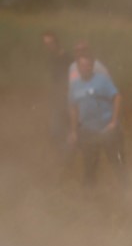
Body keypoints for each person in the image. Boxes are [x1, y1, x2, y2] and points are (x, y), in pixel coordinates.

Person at [68, 48, 125, 185]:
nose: (85, 68)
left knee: (117, 162)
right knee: (89, 166)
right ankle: (89, 194)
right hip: (88, 131)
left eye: (88, 65)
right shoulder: (74, 86)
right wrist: (74, 131)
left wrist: (113, 121)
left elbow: (117, 97)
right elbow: (73, 108)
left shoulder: (102, 80)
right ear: (78, 67)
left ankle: (126, 190)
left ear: (92, 66)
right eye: (82, 65)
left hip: (107, 129)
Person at [42, 32, 72, 154]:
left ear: (56, 42)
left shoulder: (67, 58)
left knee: (62, 127)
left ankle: (67, 154)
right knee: (56, 130)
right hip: (57, 97)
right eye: (46, 44)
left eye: (50, 43)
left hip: (67, 97)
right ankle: (63, 153)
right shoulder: (52, 57)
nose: (48, 46)